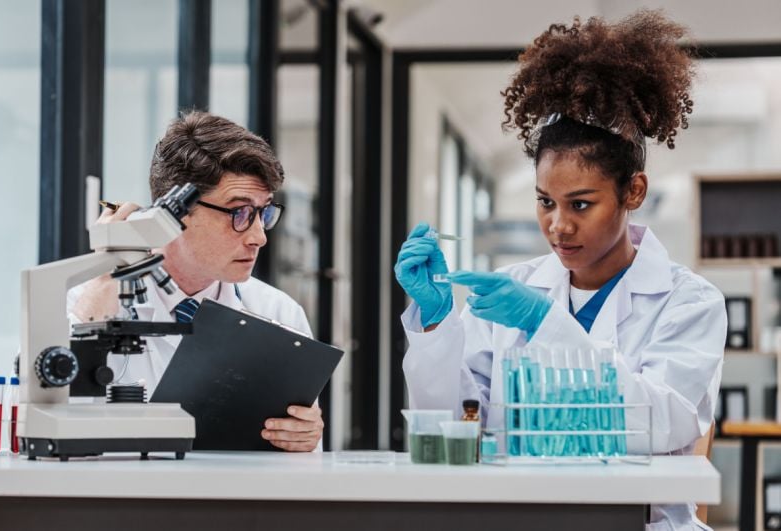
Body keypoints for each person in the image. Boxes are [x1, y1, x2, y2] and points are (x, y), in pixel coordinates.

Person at [395, 11, 724, 530]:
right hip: (523, 517)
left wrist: (543, 324)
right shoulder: (519, 287)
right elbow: (457, 422)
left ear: (632, 192)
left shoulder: (689, 301)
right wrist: (437, 326)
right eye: (545, 201)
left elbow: (660, 423)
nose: (558, 226)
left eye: (581, 204)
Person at [68, 111, 323, 453]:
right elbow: (54, 424)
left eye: (263, 213)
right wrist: (105, 275)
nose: (259, 237)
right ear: (174, 214)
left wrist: (303, 437)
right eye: (240, 213)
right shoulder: (84, 304)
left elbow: (300, 471)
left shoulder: (279, 313)